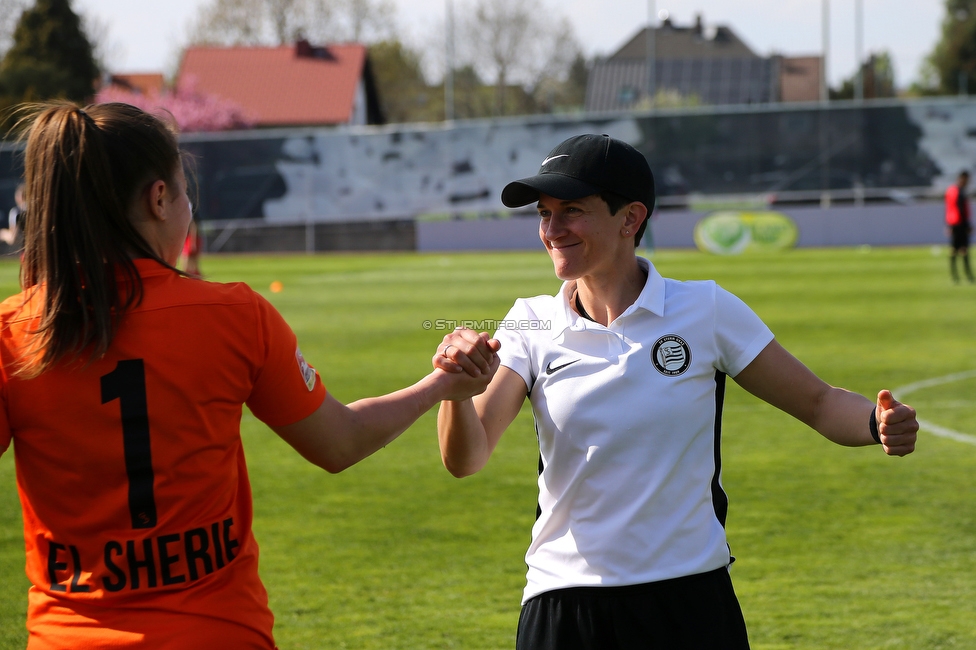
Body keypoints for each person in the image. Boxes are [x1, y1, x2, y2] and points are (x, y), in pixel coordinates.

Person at [0, 102, 496, 649]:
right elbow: (340, 442)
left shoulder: (15, 333)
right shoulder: (234, 315)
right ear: (158, 199)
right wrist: (443, 384)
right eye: (184, 193)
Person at [433, 134, 919, 650]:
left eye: (571, 210)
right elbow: (467, 457)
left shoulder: (706, 310)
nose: (552, 230)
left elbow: (819, 403)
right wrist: (457, 392)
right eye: (544, 213)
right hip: (564, 604)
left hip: (688, 602)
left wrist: (876, 422)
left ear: (630, 218)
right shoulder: (528, 321)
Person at [945, 170, 973, 283]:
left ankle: (955, 275)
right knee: (963, 249)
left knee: (954, 249)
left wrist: (949, 224)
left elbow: (948, 209)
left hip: (953, 223)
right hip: (960, 223)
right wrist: (967, 225)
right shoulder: (959, 192)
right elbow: (960, 210)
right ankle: (968, 275)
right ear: (963, 178)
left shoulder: (951, 190)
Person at [1, 182, 25, 247]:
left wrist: (3, 234)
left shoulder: (16, 211)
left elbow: (13, 238)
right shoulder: (34, 209)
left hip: (25, 250)